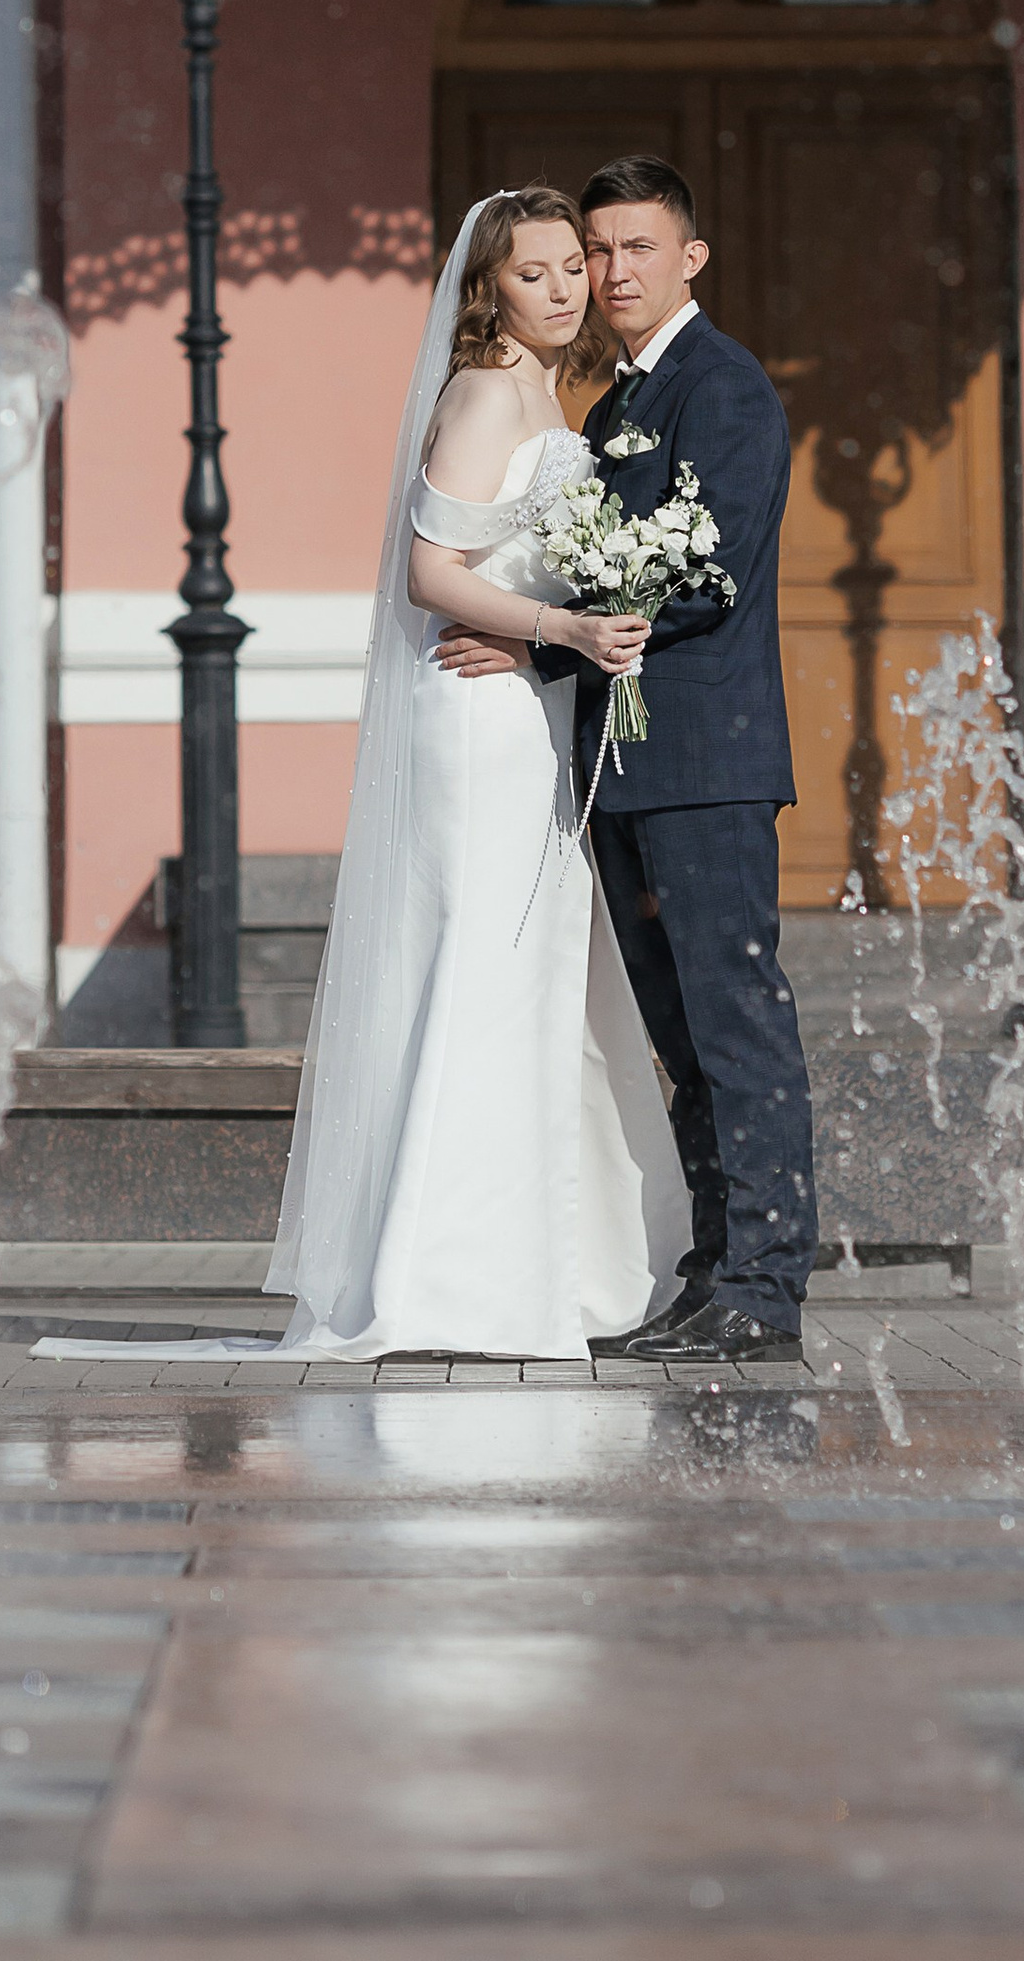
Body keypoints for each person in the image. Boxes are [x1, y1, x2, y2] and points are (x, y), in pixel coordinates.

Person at [35, 187, 686, 1368]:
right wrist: (565, 628)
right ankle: (449, 1277)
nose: (561, 287)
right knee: (480, 967)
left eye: (569, 268)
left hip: (526, 706)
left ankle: (548, 1265)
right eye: (532, 271)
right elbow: (432, 573)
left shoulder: (553, 391)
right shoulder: (487, 392)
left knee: (533, 970)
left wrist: (569, 630)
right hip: (477, 716)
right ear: (487, 288)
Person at [435, 155, 818, 1363]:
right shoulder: (610, 407)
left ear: (689, 257)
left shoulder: (729, 390)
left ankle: (764, 1283)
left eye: (637, 247)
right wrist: (546, 649)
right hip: (623, 767)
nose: (611, 272)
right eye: (596, 252)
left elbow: (710, 572)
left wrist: (545, 646)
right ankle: (712, 1271)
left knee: (736, 1023)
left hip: (706, 762)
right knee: (679, 1032)